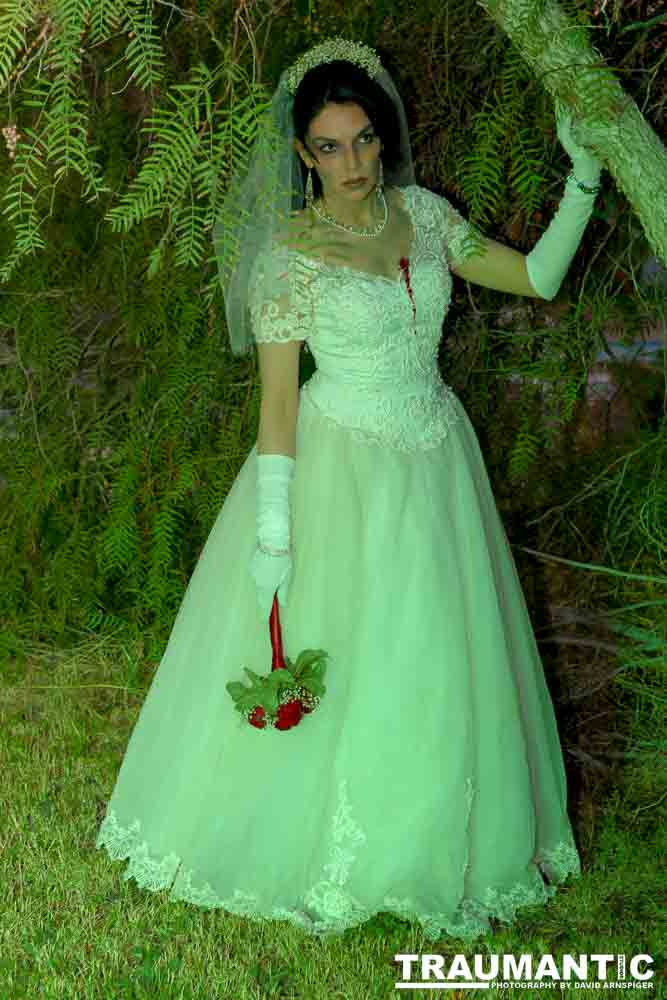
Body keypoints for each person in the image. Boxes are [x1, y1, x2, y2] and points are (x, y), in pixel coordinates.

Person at [95, 36, 604, 942]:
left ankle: (432, 837)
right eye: (330, 147)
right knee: (348, 650)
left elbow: (536, 276)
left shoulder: (425, 216)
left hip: (436, 457)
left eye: (364, 139)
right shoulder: (288, 255)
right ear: (302, 155)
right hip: (340, 465)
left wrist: (585, 176)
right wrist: (275, 527)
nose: (354, 163)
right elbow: (279, 401)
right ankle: (321, 840)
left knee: (437, 654)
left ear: (383, 136)